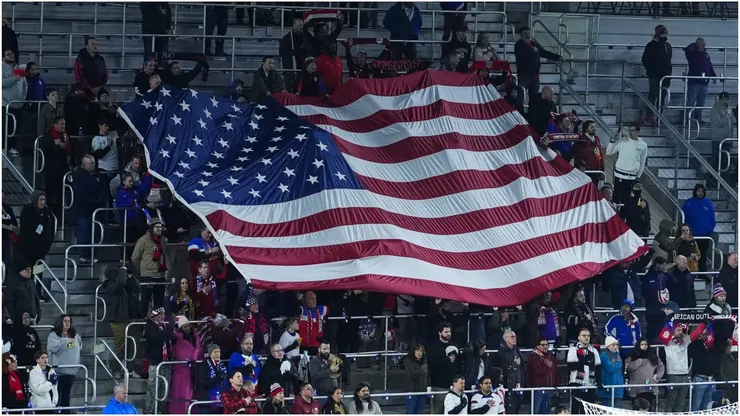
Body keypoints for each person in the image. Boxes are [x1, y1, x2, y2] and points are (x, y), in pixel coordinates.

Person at [102, 265, 143, 379]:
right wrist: (123, 271)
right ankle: (115, 369)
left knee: (132, 346)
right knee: (120, 347)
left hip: (131, 318)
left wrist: (130, 276)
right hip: (118, 320)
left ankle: (130, 370)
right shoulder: (109, 286)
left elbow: (137, 288)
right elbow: (120, 284)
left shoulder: (124, 284)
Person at [18, 190, 54, 303]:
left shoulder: (48, 212)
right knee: (28, 272)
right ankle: (27, 293)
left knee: (38, 271)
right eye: (40, 200)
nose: (42, 202)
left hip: (40, 251)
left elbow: (50, 230)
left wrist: (47, 245)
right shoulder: (27, 210)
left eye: (44, 200)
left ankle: (38, 293)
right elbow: (24, 228)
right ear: (35, 200)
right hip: (27, 249)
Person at [71, 154, 107, 264]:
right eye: (91, 163)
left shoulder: (98, 175)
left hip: (97, 209)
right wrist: (91, 201)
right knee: (84, 231)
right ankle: (82, 254)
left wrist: (99, 200)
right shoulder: (79, 176)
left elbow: (104, 189)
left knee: (95, 232)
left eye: (94, 163)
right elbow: (79, 193)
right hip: (84, 210)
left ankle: (93, 254)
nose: (93, 165)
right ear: (84, 164)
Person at [132, 219, 168, 315]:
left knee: (159, 303)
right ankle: (141, 323)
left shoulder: (163, 240)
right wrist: (141, 270)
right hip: (147, 275)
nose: (159, 229)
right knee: (144, 301)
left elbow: (164, 254)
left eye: (161, 227)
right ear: (151, 228)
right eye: (157, 227)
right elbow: (135, 257)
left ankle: (159, 323)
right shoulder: (143, 240)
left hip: (160, 275)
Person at [514, 26, 561, 101]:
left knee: (534, 98)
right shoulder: (518, 45)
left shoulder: (534, 44)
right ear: (521, 35)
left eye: (529, 33)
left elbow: (544, 53)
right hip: (524, 76)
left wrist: (558, 57)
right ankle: (519, 112)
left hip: (534, 76)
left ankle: (532, 112)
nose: (527, 35)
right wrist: (533, 51)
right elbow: (523, 55)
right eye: (525, 33)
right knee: (520, 97)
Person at [47, 314, 81, 413]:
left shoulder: (75, 336)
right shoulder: (54, 335)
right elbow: (52, 346)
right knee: (57, 396)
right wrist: (65, 341)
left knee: (66, 395)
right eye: (65, 321)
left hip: (71, 371)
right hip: (58, 372)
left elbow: (79, 347)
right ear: (60, 322)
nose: (67, 323)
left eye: (69, 321)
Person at [606, 124, 648, 205]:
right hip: (619, 175)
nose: (630, 132)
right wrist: (612, 142)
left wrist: (638, 177)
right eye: (629, 130)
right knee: (616, 199)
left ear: (638, 132)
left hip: (632, 177)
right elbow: (609, 152)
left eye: (632, 130)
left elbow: (642, 163)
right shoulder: (622, 141)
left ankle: (622, 217)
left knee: (626, 201)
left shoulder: (643, 145)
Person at [144, 307, 174, 413]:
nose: (162, 317)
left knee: (164, 390)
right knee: (153, 390)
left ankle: (160, 411)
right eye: (159, 315)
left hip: (167, 362)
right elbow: (158, 338)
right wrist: (170, 329)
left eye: (163, 314)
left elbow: (172, 338)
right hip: (155, 363)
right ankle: (149, 412)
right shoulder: (150, 326)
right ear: (154, 316)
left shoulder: (165, 327)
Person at [169, 316, 201, 415]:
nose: (187, 328)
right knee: (181, 392)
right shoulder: (177, 337)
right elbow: (177, 350)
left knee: (193, 391)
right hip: (181, 369)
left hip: (194, 367)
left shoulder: (194, 336)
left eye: (188, 326)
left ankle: (191, 411)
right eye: (185, 326)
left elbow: (198, 348)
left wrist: (195, 357)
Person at [40, 116, 72, 212]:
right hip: (52, 169)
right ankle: (49, 212)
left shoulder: (65, 135)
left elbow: (70, 149)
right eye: (61, 124)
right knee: (50, 191)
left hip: (63, 168)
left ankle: (61, 213)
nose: (63, 126)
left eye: (64, 124)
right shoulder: (49, 135)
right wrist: (59, 147)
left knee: (62, 192)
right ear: (55, 125)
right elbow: (48, 151)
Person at [641, 25, 672, 125]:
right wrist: (651, 70)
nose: (664, 36)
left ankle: (659, 117)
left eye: (665, 34)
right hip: (654, 75)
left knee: (662, 97)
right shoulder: (650, 45)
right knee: (653, 95)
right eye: (663, 33)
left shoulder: (667, 46)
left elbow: (668, 60)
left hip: (665, 76)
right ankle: (649, 116)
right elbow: (645, 60)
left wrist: (669, 72)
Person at [428, 322, 461, 414]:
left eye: (449, 331)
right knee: (437, 410)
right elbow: (431, 363)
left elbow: (459, 364)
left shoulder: (455, 345)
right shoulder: (433, 346)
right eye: (446, 332)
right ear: (439, 333)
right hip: (438, 385)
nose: (448, 334)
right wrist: (446, 360)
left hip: (453, 385)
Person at [682, 184, 715, 272]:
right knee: (690, 253)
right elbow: (684, 219)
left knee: (703, 254)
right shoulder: (688, 203)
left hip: (705, 234)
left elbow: (712, 218)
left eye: (702, 191)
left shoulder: (709, 203)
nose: (700, 193)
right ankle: (689, 271)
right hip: (692, 234)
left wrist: (710, 229)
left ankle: (702, 272)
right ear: (695, 191)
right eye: (698, 191)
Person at [566, 329, 601, 414]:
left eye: (588, 336)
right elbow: (570, 366)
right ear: (579, 337)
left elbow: (598, 367)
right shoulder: (573, 350)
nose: (586, 338)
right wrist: (583, 361)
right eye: (584, 335)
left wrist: (599, 381)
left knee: (587, 409)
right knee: (575, 408)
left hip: (590, 383)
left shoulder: (593, 351)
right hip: (576, 383)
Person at [625, 338, 664, 411]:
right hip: (636, 389)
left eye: (646, 344)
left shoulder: (653, 357)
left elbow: (661, 367)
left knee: (648, 410)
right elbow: (629, 368)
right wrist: (639, 361)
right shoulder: (632, 357)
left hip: (649, 388)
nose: (644, 346)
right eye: (642, 344)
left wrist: (657, 376)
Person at [2, 48, 28, 156]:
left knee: (15, 127)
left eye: (12, 53)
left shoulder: (19, 68)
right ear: (3, 57)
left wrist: (23, 98)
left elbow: (25, 85)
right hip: (5, 103)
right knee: (4, 127)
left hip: (18, 103)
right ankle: (3, 147)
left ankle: (12, 146)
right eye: (8, 54)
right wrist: (13, 79)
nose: (11, 55)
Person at [684, 38, 716, 123]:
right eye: (702, 45)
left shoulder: (706, 54)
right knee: (691, 101)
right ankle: (687, 119)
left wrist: (713, 76)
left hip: (704, 82)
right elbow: (687, 49)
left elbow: (709, 66)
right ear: (697, 45)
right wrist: (695, 45)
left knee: (701, 102)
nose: (704, 47)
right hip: (694, 82)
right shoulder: (692, 54)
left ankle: (698, 118)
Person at [662, 322, 690, 412]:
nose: (680, 332)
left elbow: (696, 334)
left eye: (681, 330)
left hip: (684, 374)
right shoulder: (667, 340)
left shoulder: (685, 340)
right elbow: (662, 334)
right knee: (670, 401)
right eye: (678, 330)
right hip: (672, 374)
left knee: (680, 402)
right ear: (672, 331)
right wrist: (670, 320)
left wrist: (704, 324)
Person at [527, 338, 558, 414]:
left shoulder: (551, 358)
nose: (545, 346)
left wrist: (556, 386)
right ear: (538, 346)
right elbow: (537, 372)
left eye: (546, 345)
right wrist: (546, 365)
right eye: (543, 345)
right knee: (535, 411)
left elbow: (556, 373)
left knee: (548, 412)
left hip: (550, 389)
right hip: (538, 390)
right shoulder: (533, 357)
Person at [496, 330, 524, 414]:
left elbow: (521, 367)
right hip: (508, 386)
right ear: (506, 339)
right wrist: (513, 364)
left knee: (517, 408)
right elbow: (502, 369)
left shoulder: (517, 350)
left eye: (515, 336)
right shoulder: (501, 352)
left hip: (518, 384)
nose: (515, 338)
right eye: (512, 337)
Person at [6, 261, 40, 329]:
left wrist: (38, 314)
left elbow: (36, 299)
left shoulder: (32, 283)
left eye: (30, 269)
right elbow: (9, 302)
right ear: (20, 271)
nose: (29, 271)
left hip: (32, 319)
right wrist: (16, 317)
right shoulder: (13, 283)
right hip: (19, 320)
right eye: (26, 269)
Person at [710, 92, 736, 175]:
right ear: (719, 100)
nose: (724, 101)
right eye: (723, 99)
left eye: (726, 100)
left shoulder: (729, 109)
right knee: (715, 159)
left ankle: (723, 181)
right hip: (717, 139)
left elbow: (734, 121)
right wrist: (726, 116)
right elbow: (717, 122)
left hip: (727, 139)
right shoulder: (715, 109)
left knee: (725, 161)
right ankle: (711, 179)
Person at [197, 344, 229, 413]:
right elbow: (202, 382)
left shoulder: (222, 365)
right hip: (207, 400)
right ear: (210, 354)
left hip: (222, 398)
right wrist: (218, 378)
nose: (217, 354)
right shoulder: (204, 365)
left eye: (219, 352)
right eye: (215, 352)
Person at [279, 19, 306, 91]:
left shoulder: (305, 38)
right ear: (294, 26)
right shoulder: (286, 39)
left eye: (302, 25)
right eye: (300, 25)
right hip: (289, 69)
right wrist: (297, 51)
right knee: (288, 89)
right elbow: (282, 53)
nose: (302, 27)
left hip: (301, 67)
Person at [596, 336, 624, 407]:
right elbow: (610, 368)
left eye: (616, 345)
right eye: (613, 345)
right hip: (608, 389)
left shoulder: (617, 356)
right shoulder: (604, 356)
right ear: (608, 346)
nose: (615, 347)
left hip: (617, 389)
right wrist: (619, 363)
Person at [403, 344, 428, 414]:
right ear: (413, 351)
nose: (419, 352)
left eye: (421, 351)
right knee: (411, 412)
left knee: (419, 412)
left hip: (422, 391)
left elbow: (427, 376)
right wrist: (421, 370)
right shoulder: (409, 361)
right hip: (412, 391)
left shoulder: (424, 362)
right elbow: (411, 375)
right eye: (417, 350)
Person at [717, 339, 737, 404]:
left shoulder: (735, 356)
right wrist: (725, 381)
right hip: (727, 384)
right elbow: (721, 370)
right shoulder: (722, 357)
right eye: (729, 345)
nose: (731, 347)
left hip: (736, 383)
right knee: (727, 402)